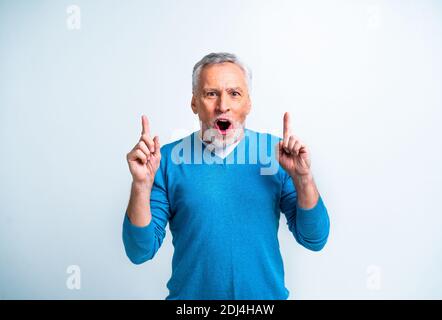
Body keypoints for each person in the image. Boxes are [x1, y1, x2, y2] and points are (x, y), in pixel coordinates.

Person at [123, 52, 330, 299]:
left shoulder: (278, 156)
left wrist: (303, 178)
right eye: (211, 94)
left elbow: (314, 239)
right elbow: (139, 251)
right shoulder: (164, 161)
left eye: (234, 93)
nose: (223, 105)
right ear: (194, 103)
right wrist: (141, 186)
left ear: (248, 104)